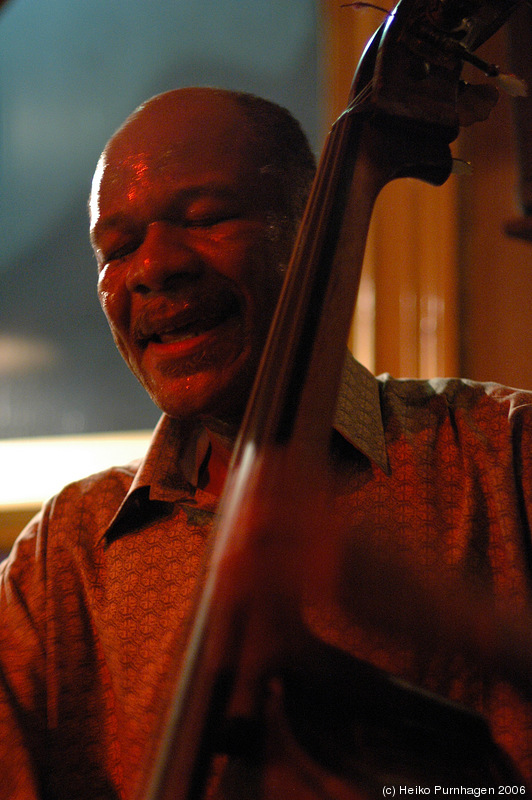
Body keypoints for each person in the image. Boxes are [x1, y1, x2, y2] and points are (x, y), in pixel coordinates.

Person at [1, 86, 531, 799]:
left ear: (312, 225)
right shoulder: (63, 558)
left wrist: (442, 614)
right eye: (117, 248)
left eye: (206, 217)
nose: (154, 268)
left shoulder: (505, 454)